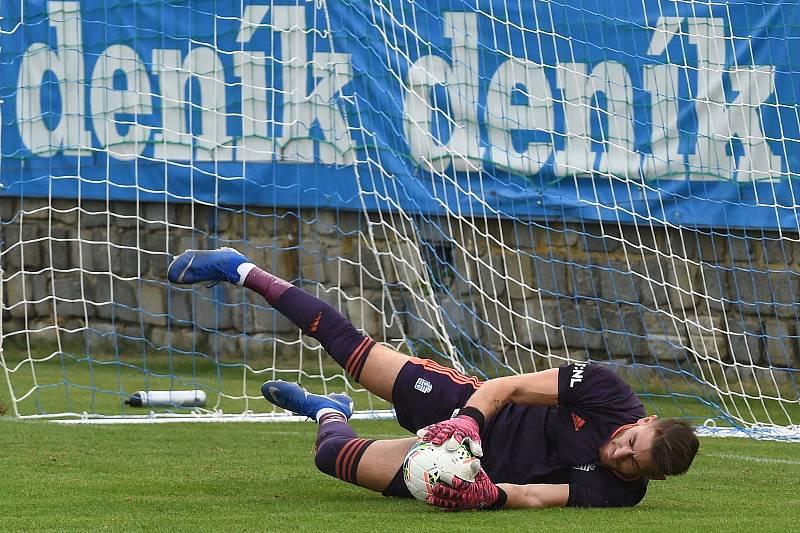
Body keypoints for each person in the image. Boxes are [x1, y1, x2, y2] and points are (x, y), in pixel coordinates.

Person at [167, 247, 699, 510]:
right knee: (354, 352)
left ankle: (327, 411)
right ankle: (241, 269)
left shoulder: (621, 493)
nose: (619, 456)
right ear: (643, 420)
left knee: (330, 459)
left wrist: (485, 495)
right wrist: (466, 422)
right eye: (631, 443)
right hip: (472, 405)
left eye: (634, 465)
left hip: (471, 469)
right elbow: (505, 388)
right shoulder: (608, 391)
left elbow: (537, 496)